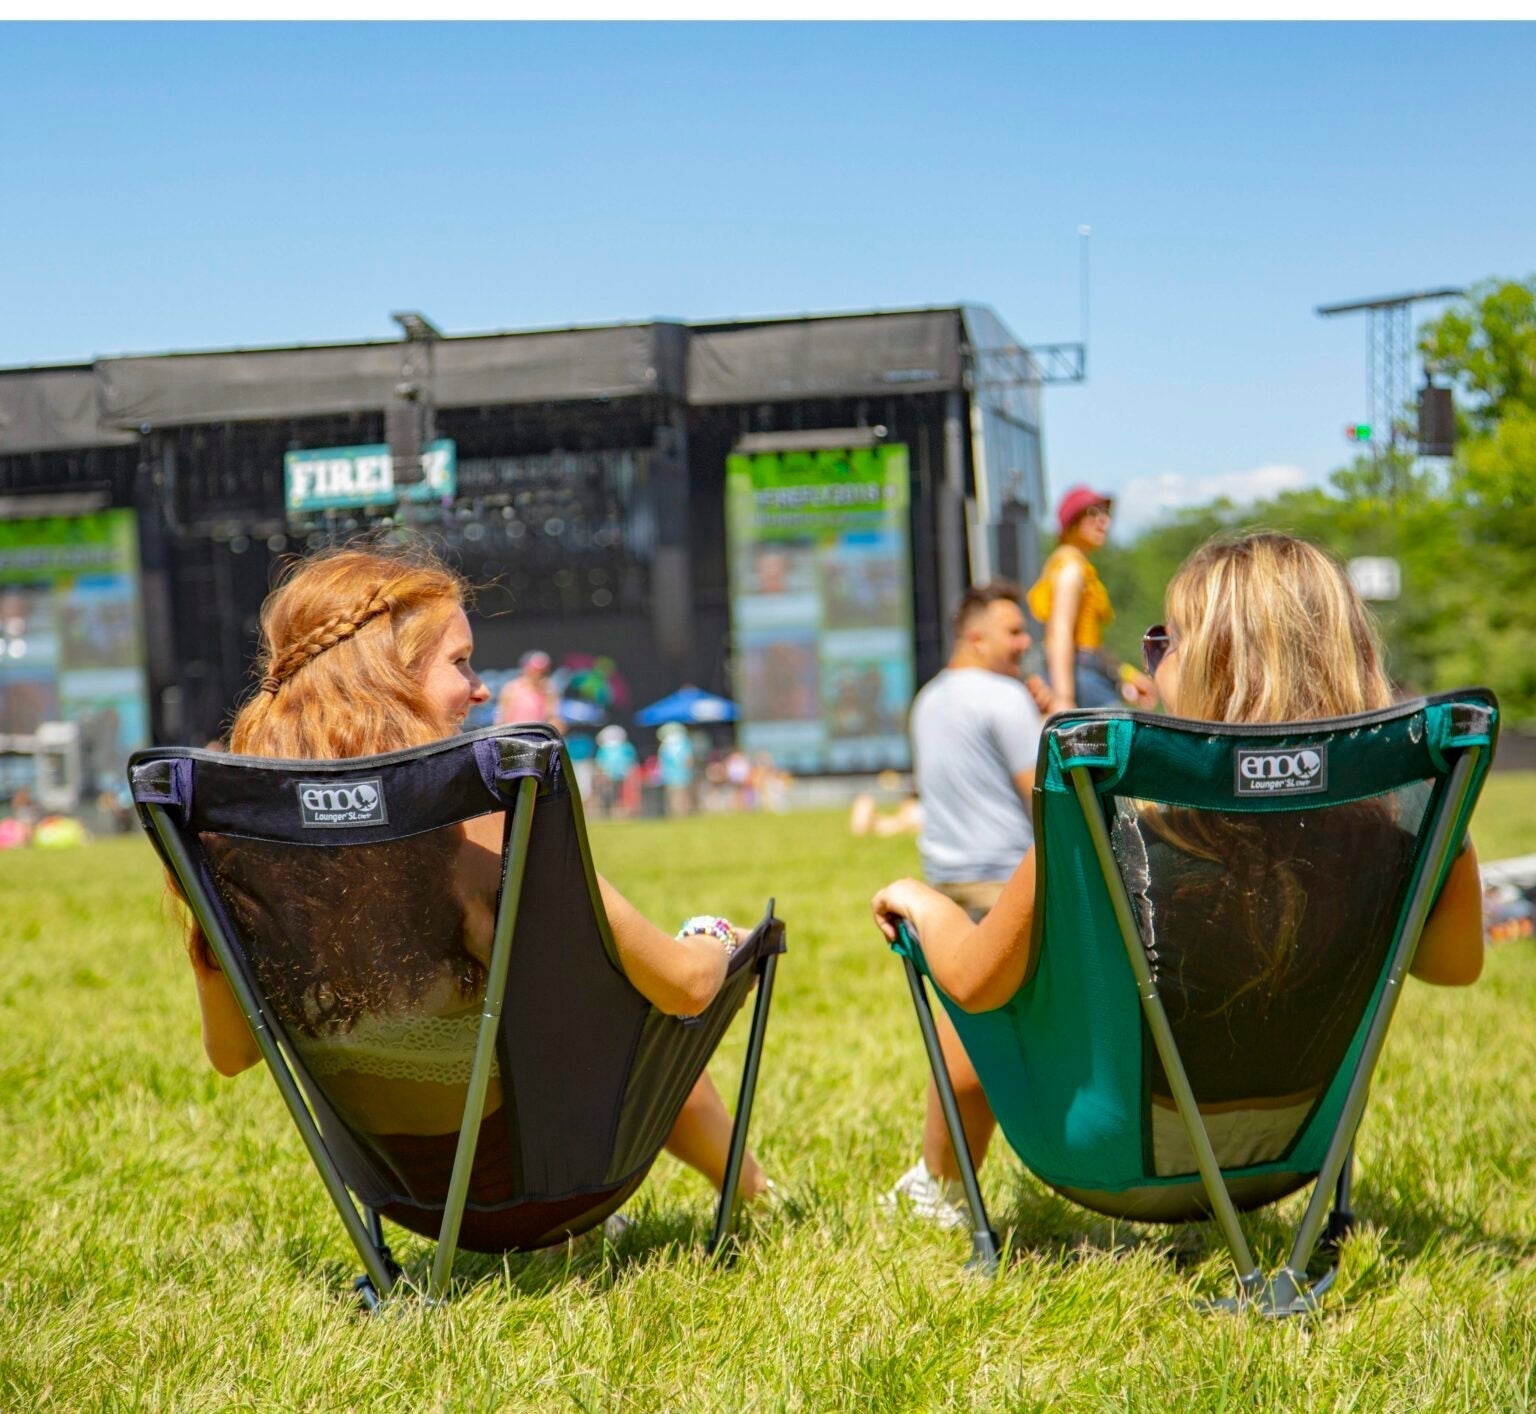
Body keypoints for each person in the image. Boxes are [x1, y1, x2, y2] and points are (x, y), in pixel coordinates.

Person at [178, 545, 771, 1247]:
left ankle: (751, 1189)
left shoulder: (235, 852)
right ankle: (755, 1191)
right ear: (391, 679)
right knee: (633, 996)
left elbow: (232, 1053)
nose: (481, 689)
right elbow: (685, 990)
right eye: (461, 663)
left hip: (400, 1194)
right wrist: (712, 937)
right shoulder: (479, 832)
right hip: (549, 1184)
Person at [873, 532, 1484, 1192]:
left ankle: (941, 1188)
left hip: (1114, 1154)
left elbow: (971, 983)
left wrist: (923, 901)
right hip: (1300, 1147)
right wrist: (1448, 843)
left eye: (1165, 642)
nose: (1152, 661)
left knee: (977, 990)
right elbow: (1455, 968)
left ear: (1216, 667)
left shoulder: (1117, 835)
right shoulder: (1397, 831)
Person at [881, 580, 1045, 1228]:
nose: (1024, 642)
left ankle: (940, 1180)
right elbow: (1050, 797)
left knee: (965, 1032)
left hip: (940, 886)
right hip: (1002, 885)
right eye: (1012, 631)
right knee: (974, 1041)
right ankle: (942, 1184)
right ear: (974, 635)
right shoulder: (1005, 699)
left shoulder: (927, 700)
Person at [1027, 485, 1157, 712]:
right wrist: (1063, 699)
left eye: (1106, 513)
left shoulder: (1079, 567)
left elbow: (1089, 645)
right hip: (1076, 674)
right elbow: (1060, 633)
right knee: (1124, 737)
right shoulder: (1071, 569)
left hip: (1085, 670)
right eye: (1092, 513)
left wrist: (1124, 674)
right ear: (1072, 521)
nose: (1103, 521)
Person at [495, 649, 561, 727]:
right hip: (514, 734)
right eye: (535, 670)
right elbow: (500, 716)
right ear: (526, 668)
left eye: (542, 671)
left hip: (538, 735)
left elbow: (552, 716)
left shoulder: (548, 689)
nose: (538, 674)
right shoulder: (511, 688)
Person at [656, 722, 696, 817]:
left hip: (682, 775)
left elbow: (688, 760)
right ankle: (676, 813)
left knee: (682, 795)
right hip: (671, 776)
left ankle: (683, 813)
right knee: (674, 795)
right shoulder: (665, 747)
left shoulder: (683, 743)